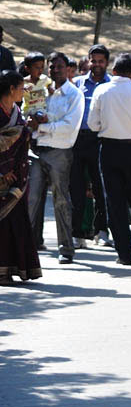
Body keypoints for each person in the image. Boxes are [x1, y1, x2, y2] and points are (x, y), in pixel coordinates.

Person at [87, 53, 131, 266]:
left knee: (114, 202)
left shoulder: (101, 90)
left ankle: (124, 254)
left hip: (108, 149)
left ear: (113, 71)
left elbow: (93, 124)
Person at [26, 53, 84, 263]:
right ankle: (22, 248)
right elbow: (31, 114)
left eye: (59, 67)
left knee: (61, 200)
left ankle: (66, 249)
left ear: (68, 69)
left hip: (60, 153)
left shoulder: (74, 95)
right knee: (31, 200)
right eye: (52, 67)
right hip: (37, 150)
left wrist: (41, 127)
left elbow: (69, 127)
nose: (55, 71)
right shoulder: (42, 91)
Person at [0, 70, 41, 282]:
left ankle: (13, 268)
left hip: (17, 175)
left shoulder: (15, 110)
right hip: (2, 176)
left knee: (16, 221)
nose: (24, 91)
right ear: (11, 89)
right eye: (20, 87)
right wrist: (3, 170)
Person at [71, 44, 110, 248]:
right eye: (93, 60)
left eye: (100, 61)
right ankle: (77, 234)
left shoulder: (111, 85)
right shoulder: (77, 84)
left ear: (107, 63)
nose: (96, 65)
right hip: (78, 140)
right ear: (88, 61)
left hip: (100, 141)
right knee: (76, 188)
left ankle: (102, 232)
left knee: (101, 188)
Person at [20, 53, 50, 122]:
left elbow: (51, 84)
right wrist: (23, 90)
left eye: (42, 67)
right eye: (37, 67)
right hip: (28, 112)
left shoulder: (44, 79)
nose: (40, 70)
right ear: (27, 69)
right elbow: (17, 95)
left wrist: (50, 88)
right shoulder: (23, 82)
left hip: (42, 110)